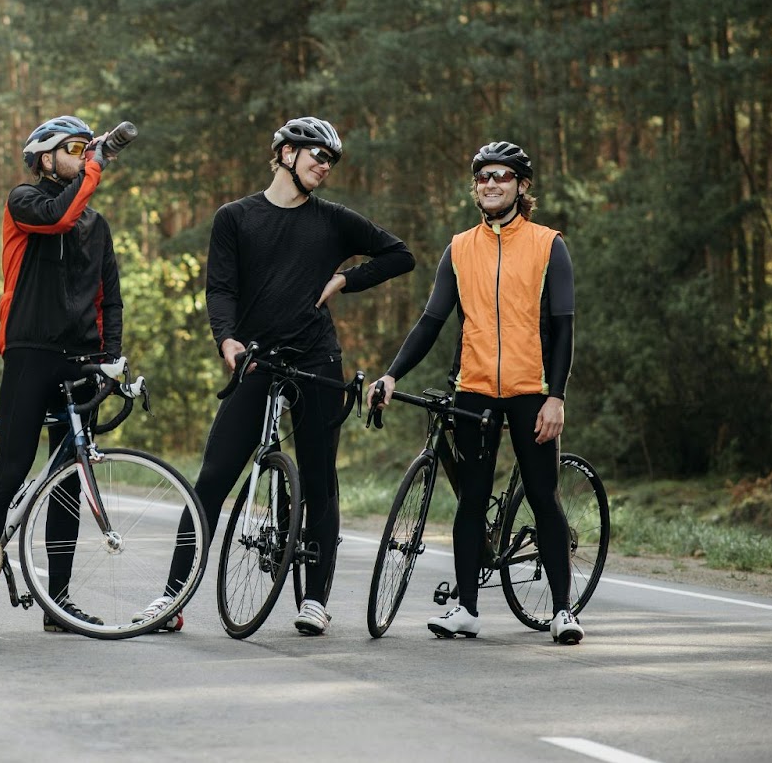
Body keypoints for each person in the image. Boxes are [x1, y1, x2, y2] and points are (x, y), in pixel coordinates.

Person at [145, 116, 414, 635]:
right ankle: (170, 600)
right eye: (317, 154)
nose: (324, 165)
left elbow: (399, 255)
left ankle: (315, 599)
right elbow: (219, 288)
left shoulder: (334, 220)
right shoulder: (235, 217)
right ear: (286, 152)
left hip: (316, 359)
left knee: (320, 480)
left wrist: (344, 279)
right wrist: (227, 339)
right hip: (256, 358)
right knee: (213, 479)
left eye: (331, 160)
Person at [369, 140, 583, 644]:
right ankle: (466, 608)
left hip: (532, 389)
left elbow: (564, 325)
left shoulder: (549, 244)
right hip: (475, 390)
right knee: (470, 501)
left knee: (542, 495)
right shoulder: (460, 248)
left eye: (502, 176)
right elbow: (430, 322)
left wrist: (557, 397)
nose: (491, 184)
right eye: (483, 177)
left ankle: (562, 610)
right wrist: (392, 373)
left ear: (521, 186)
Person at [0, 114, 125, 638]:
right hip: (30, 352)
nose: (83, 156)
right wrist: (93, 168)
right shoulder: (24, 200)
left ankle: (60, 603)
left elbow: (109, 297)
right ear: (45, 158)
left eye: (86, 149)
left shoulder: (96, 226)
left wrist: (111, 358)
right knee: (11, 470)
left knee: (69, 481)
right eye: (73, 149)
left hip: (80, 359)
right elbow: (57, 217)